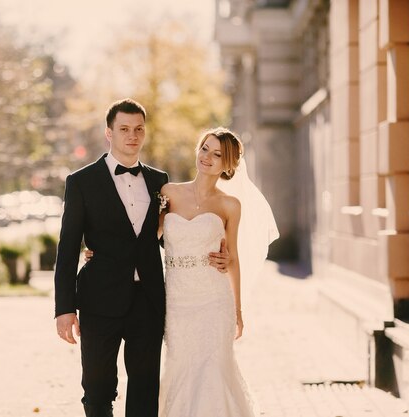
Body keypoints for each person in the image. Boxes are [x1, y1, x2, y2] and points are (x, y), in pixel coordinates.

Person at [54, 98, 229, 417]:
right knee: (97, 388)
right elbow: (67, 248)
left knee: (146, 387)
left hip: (147, 300)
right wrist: (64, 308)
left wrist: (216, 249)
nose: (132, 136)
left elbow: (170, 236)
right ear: (109, 133)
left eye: (138, 129)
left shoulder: (158, 181)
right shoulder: (81, 182)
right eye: (123, 129)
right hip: (99, 300)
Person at [157, 127, 278, 417]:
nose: (207, 157)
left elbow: (232, 257)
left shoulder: (230, 205)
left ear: (229, 165)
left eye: (217, 154)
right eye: (204, 149)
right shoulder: (168, 193)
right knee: (180, 369)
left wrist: (237, 310)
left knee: (214, 370)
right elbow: (145, 238)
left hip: (214, 301)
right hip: (176, 300)